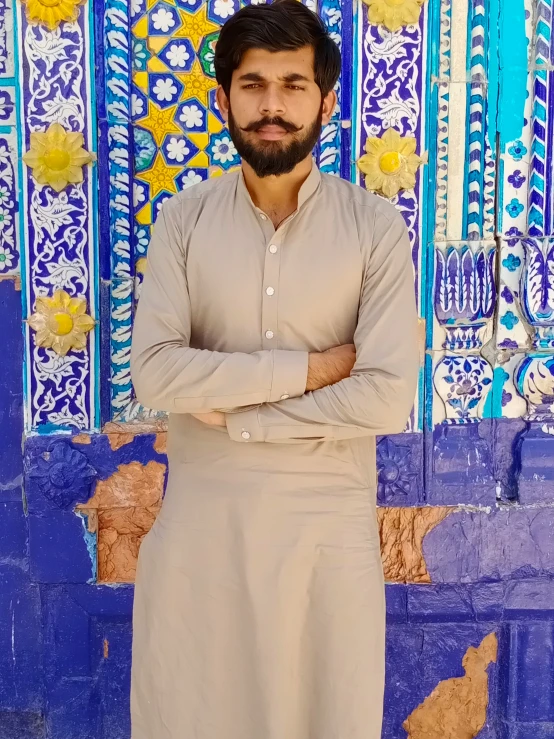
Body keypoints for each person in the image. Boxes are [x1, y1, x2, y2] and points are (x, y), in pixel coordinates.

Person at [129, 0, 419, 737]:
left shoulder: (375, 231)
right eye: (253, 84)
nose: (272, 107)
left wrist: (246, 416)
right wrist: (315, 368)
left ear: (326, 101)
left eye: (293, 85)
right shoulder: (183, 221)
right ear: (223, 98)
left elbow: (385, 399)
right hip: (202, 540)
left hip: (326, 546)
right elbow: (156, 375)